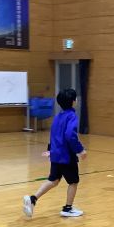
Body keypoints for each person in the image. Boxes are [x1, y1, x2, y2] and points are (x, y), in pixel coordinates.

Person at [23, 88, 87, 218]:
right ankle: (68, 208)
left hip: (56, 155)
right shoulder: (72, 116)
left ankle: (33, 199)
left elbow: (53, 134)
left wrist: (50, 150)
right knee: (73, 182)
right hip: (67, 156)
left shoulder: (58, 116)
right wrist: (80, 149)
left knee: (53, 180)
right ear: (73, 101)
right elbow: (70, 135)